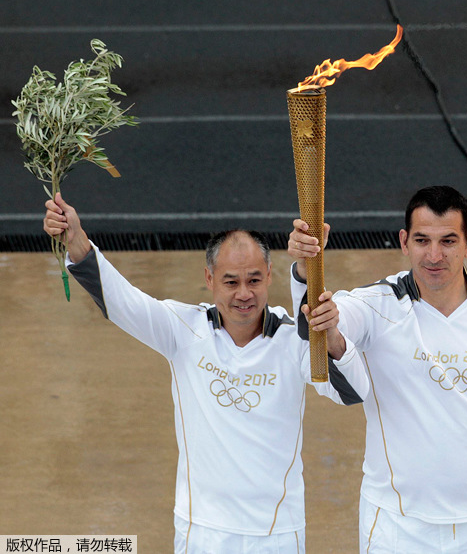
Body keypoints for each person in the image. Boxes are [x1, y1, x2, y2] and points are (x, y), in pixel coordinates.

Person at [43, 192, 369, 554]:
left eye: (254, 280)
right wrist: (75, 240)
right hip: (202, 533)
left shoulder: (293, 339)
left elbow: (349, 392)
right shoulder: (183, 329)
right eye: (231, 282)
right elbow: (121, 301)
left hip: (277, 535)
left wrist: (328, 323)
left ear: (269, 277)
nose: (244, 294)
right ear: (209, 278)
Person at [288, 185, 467, 553]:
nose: (434, 255)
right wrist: (305, 271)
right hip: (395, 524)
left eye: (448, 241)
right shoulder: (376, 306)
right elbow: (327, 327)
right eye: (422, 240)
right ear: (404, 242)